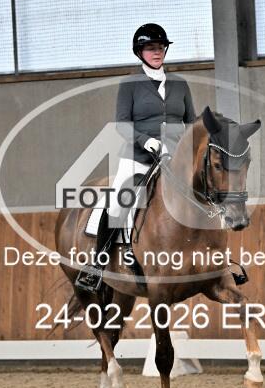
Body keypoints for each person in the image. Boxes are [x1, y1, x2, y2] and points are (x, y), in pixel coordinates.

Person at [78, 23, 196, 291]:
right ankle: (98, 263)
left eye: (160, 47)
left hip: (174, 159)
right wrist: (147, 141)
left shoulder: (180, 84)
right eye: (150, 48)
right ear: (140, 52)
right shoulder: (129, 84)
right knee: (118, 202)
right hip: (138, 158)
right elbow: (122, 125)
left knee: (206, 192)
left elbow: (191, 122)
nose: (157, 52)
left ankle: (214, 256)